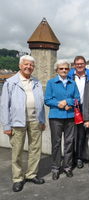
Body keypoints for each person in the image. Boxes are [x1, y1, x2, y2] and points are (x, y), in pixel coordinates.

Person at [0, 55, 46, 192]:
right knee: (17, 151)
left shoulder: (36, 82)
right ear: (20, 66)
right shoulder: (11, 82)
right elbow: (4, 106)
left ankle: (31, 174)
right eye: (26, 64)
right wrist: (6, 126)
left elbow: (40, 104)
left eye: (31, 65)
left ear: (34, 67)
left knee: (35, 149)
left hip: (35, 120)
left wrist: (42, 120)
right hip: (17, 122)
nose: (28, 67)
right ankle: (18, 178)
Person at [45, 60, 80, 180]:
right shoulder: (51, 83)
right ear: (57, 70)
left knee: (69, 143)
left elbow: (77, 99)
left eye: (66, 68)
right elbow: (47, 100)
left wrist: (68, 102)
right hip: (56, 116)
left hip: (70, 116)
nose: (64, 70)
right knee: (56, 144)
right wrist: (58, 104)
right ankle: (55, 168)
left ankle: (68, 167)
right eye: (61, 68)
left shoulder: (72, 83)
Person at [67, 56, 89, 169]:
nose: (79, 66)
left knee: (81, 135)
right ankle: (69, 158)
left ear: (85, 65)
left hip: (84, 108)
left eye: (81, 64)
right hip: (71, 108)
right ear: (74, 65)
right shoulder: (69, 76)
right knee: (69, 135)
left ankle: (79, 158)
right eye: (77, 64)